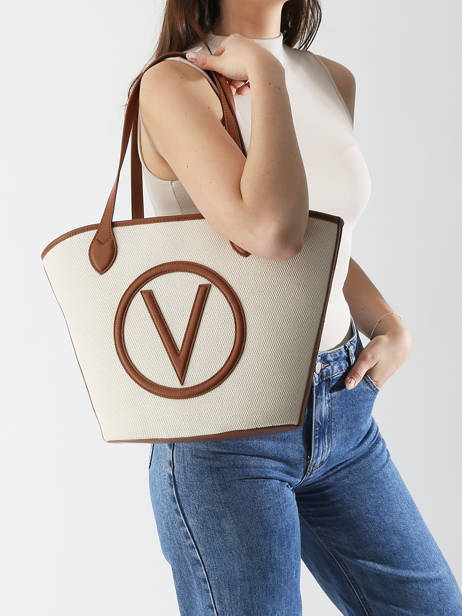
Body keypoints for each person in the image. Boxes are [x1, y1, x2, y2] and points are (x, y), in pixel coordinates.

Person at [132, 1, 462, 613]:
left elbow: (322, 234)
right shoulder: (174, 84)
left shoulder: (332, 79)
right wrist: (266, 75)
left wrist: (387, 322)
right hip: (228, 425)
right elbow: (272, 231)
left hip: (342, 406)